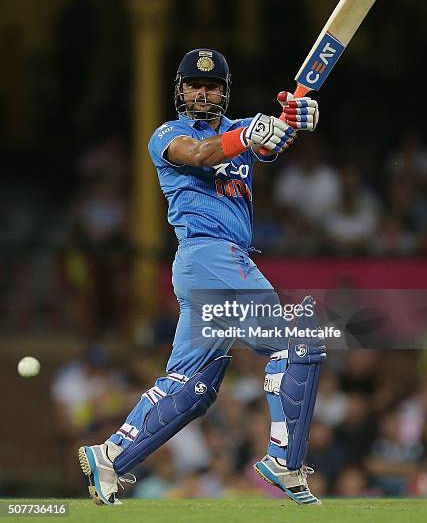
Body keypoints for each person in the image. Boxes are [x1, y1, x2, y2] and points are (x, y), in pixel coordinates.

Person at [78, 48, 325, 506]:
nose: (202, 92)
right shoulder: (167, 135)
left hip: (209, 266)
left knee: (194, 386)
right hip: (211, 254)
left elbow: (274, 139)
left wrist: (297, 118)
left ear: (223, 91)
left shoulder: (240, 127)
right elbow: (199, 154)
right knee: (297, 344)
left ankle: (110, 456)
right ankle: (284, 459)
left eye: (211, 86)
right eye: (195, 84)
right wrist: (251, 134)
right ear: (181, 90)